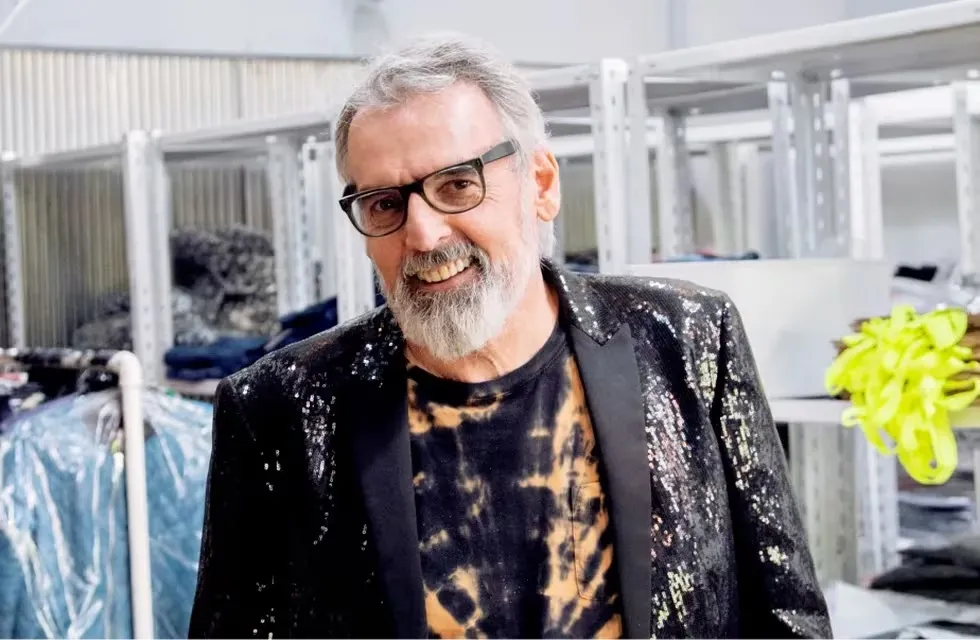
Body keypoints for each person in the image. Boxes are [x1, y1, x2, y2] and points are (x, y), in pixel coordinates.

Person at [189, 33, 832, 640]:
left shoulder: (686, 339)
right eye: (385, 203)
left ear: (541, 184)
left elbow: (787, 615)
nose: (424, 233)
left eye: (457, 185)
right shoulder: (280, 407)